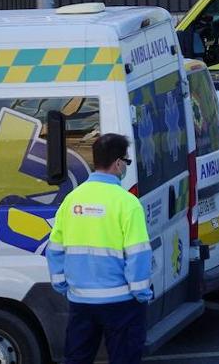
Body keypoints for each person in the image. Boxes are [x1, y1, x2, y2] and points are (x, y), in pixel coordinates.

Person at [48, 134, 153, 364]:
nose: (125, 167)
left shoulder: (72, 200)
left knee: (77, 359)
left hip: (81, 301)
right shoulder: (127, 203)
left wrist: (62, 285)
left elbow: (54, 248)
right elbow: (138, 254)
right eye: (126, 161)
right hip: (122, 302)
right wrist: (141, 293)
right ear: (117, 163)